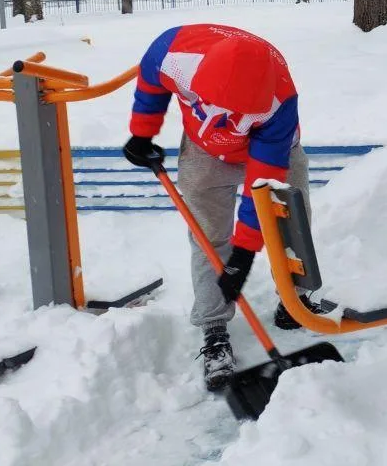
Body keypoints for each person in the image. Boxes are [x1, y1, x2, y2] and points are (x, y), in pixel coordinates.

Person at [121, 24, 323, 391]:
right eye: (231, 114)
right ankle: (214, 329)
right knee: (208, 237)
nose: (239, 125)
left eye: (248, 116)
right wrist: (141, 132)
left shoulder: (280, 102)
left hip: (275, 155)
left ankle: (295, 301)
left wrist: (245, 252)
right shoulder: (173, 54)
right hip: (204, 150)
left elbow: (262, 186)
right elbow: (151, 83)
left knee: (290, 222)